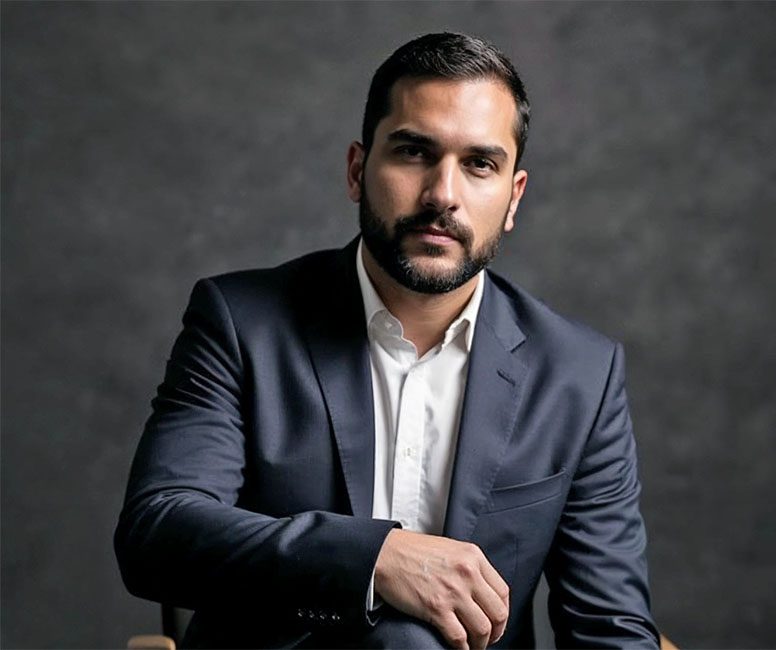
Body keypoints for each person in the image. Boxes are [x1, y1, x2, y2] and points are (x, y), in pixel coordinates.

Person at [115, 32, 660, 649]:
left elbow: (609, 628)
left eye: (479, 164)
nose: (443, 194)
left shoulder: (579, 374)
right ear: (357, 170)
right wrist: (374, 559)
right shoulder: (242, 322)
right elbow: (157, 533)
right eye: (413, 152)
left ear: (513, 198)